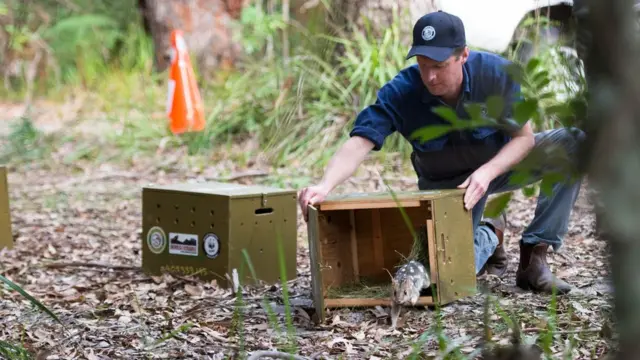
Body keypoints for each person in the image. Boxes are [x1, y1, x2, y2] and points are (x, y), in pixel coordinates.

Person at [298, 10, 584, 294]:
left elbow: (524, 139)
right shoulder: (403, 91)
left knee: (573, 144)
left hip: (498, 165)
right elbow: (361, 141)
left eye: (440, 65)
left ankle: (535, 255)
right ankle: (489, 233)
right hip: (447, 188)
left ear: (463, 55)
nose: (431, 76)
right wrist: (324, 185)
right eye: (423, 65)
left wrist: (486, 173)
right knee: (444, 277)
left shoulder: (495, 74)